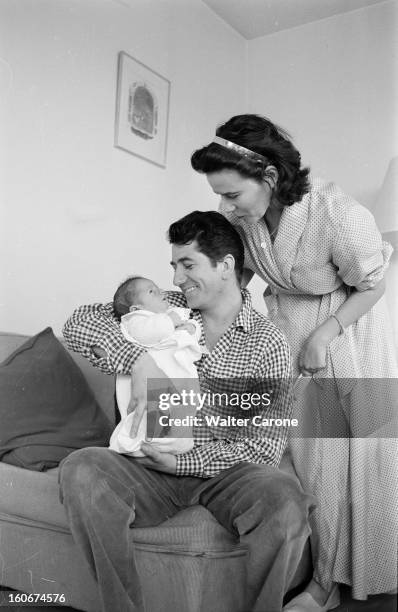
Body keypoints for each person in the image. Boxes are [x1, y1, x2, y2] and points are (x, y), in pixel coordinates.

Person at [191, 114, 398, 612]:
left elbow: (373, 283)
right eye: (219, 195)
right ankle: (323, 580)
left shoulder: (337, 212)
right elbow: (231, 272)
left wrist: (326, 333)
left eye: (231, 194)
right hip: (292, 328)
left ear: (268, 177)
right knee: (311, 461)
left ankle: (359, 577)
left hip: (351, 329)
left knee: (362, 460)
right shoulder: (247, 219)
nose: (224, 206)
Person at [61, 211, 314, 612]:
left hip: (224, 475)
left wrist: (182, 462)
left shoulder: (269, 344)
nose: (176, 278)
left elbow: (263, 449)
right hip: (147, 467)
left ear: (226, 266)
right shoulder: (166, 309)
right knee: (82, 468)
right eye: (174, 266)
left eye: (188, 264)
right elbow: (78, 323)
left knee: (285, 499)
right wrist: (138, 360)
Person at [109, 275, 201, 457]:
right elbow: (151, 331)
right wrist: (173, 320)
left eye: (159, 289)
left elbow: (188, 333)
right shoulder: (135, 320)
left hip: (176, 376)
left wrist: (191, 328)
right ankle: (141, 446)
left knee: (180, 418)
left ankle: (177, 445)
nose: (162, 293)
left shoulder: (166, 315)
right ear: (136, 308)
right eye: (152, 291)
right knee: (150, 418)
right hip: (152, 382)